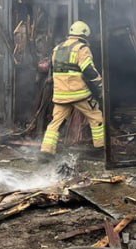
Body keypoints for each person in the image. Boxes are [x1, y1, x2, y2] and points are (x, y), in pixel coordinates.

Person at [40, 20, 105, 157]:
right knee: (96, 117)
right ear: (85, 35)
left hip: (60, 94)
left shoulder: (57, 49)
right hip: (79, 94)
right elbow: (88, 70)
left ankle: (46, 151)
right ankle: (100, 147)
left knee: (56, 122)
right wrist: (100, 84)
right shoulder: (82, 49)